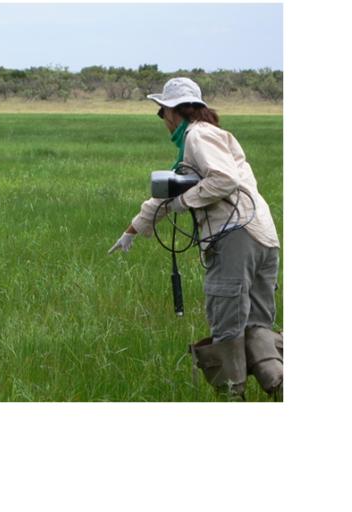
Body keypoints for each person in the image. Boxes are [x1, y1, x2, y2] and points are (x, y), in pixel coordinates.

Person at [108, 77, 282, 400]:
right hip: (264, 237)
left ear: (174, 112)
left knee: (227, 332)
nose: (162, 120)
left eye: (162, 113)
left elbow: (224, 180)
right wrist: (132, 230)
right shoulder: (212, 135)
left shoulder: (197, 137)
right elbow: (170, 192)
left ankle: (234, 400)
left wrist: (184, 202)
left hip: (234, 239)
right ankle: (280, 386)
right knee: (258, 328)